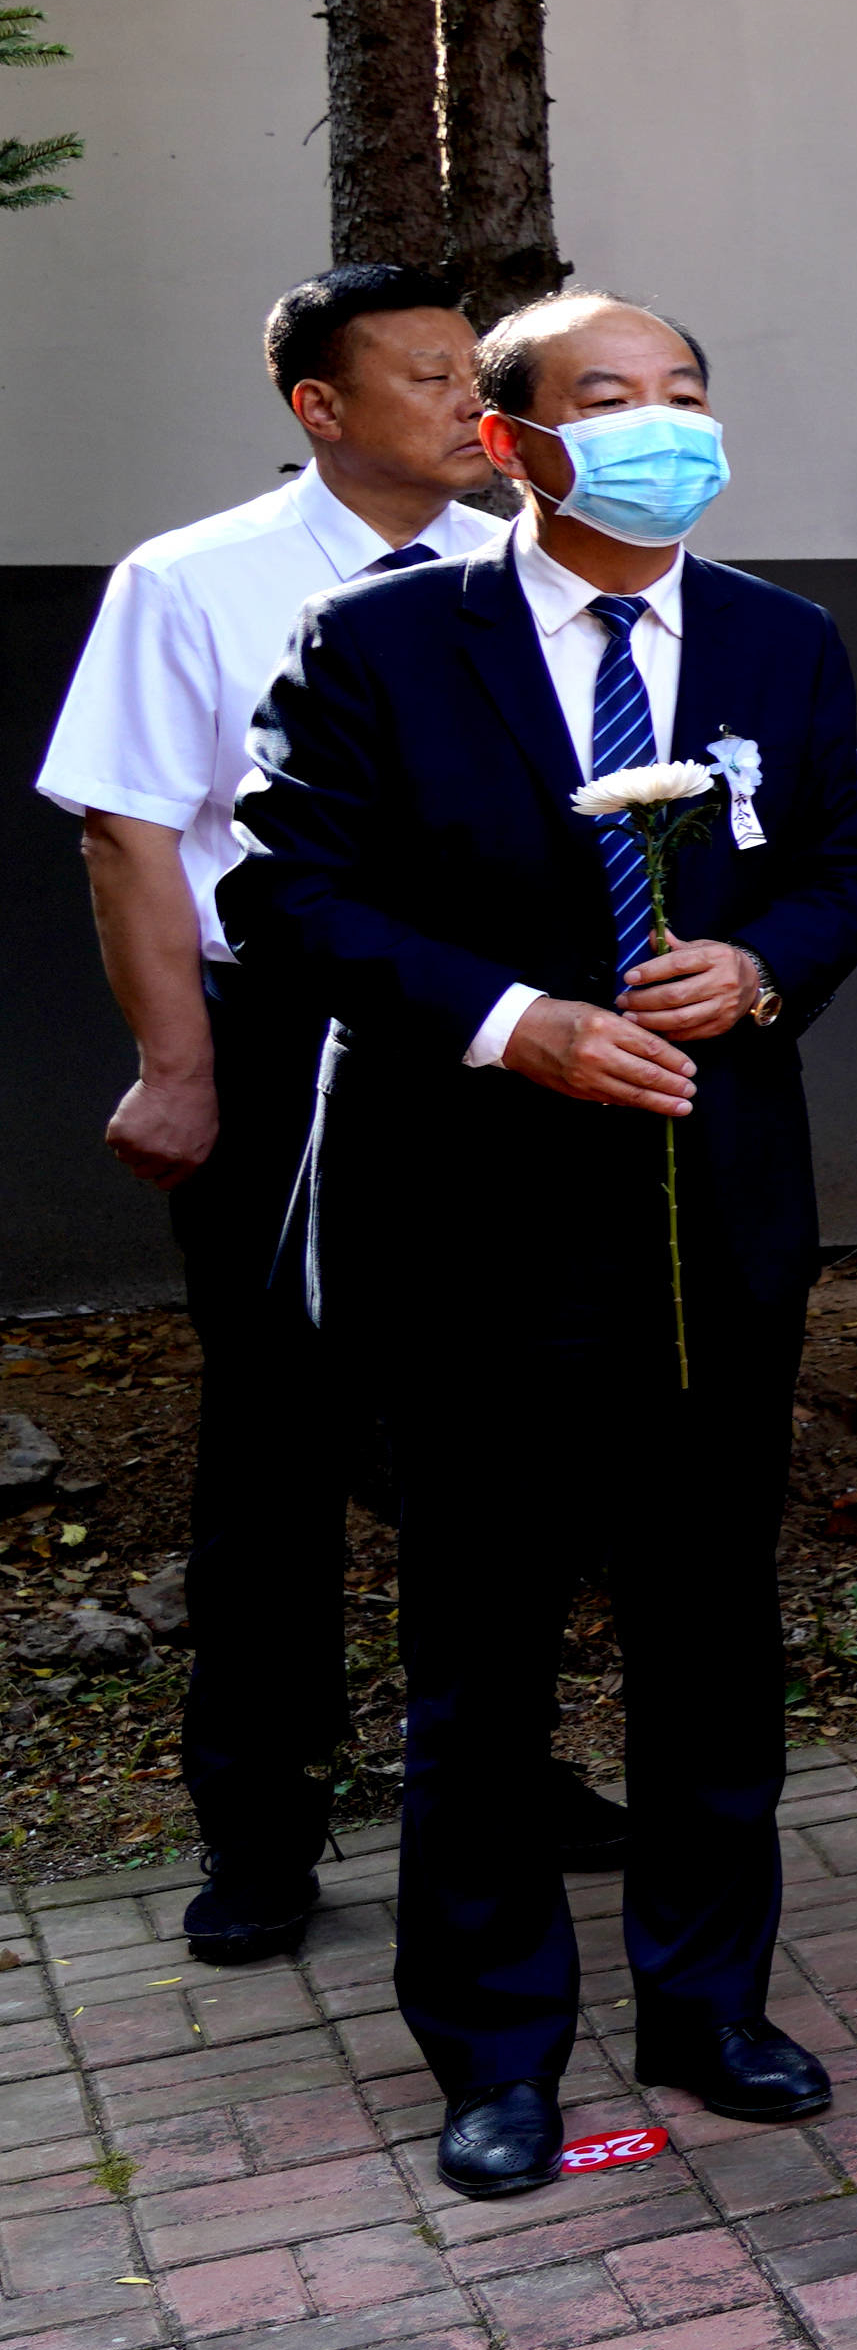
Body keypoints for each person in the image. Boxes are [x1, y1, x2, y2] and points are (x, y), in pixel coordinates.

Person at [226, 292, 857, 2197]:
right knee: (482, 1658)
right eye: (611, 399)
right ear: (514, 441)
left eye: (687, 392)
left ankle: (711, 2004)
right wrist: (513, 1023)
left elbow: (844, 866)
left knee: (712, 1638)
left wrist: (759, 967)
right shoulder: (380, 639)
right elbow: (287, 892)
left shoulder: (778, 638)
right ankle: (495, 2046)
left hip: (712, 1214)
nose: (663, 426)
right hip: (476, 1222)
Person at [37, 261, 534, 1963]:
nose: (469, 404)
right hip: (285, 1046)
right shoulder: (194, 580)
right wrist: (180, 1068)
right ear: (320, 406)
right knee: (280, 1439)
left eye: (478, 372)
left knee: (496, 1427)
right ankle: (260, 1819)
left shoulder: (516, 570)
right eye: (427, 376)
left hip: (492, 1042)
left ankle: (502, 1766)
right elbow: (131, 838)